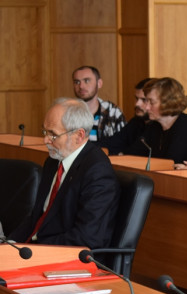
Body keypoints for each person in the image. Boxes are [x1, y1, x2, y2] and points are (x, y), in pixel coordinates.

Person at [9, 98, 120, 249]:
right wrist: (11, 243)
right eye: (45, 131)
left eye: (53, 134)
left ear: (79, 135)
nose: (46, 140)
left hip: (64, 253)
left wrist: (37, 249)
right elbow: (37, 216)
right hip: (36, 247)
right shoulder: (53, 160)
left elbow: (87, 237)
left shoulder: (97, 171)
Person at [122, 77, 187, 164]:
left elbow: (170, 163)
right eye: (147, 101)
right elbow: (134, 152)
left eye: (151, 102)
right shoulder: (155, 125)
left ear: (167, 103)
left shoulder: (185, 124)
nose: (147, 107)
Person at [101, 78, 154, 155]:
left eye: (144, 100)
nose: (137, 104)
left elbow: (136, 152)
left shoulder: (158, 126)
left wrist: (121, 153)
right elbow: (112, 143)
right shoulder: (136, 122)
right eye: (136, 98)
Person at [72, 65, 126, 142]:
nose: (81, 86)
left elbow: (123, 143)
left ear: (99, 83)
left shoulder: (113, 112)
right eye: (77, 82)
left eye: (86, 81)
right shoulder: (66, 112)